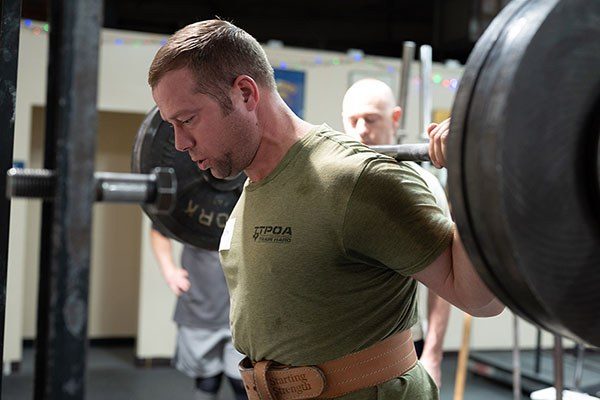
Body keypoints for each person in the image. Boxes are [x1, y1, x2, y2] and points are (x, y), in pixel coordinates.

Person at [148, 19, 504, 400]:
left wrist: (474, 178)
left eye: (186, 120)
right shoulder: (253, 180)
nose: (179, 143)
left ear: (246, 94)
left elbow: (481, 300)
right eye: (170, 125)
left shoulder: (356, 180)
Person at [341, 78, 451, 387]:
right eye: (353, 120)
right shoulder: (332, 181)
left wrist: (433, 354)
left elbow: (444, 281)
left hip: (398, 352)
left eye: (371, 119)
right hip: (334, 354)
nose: (361, 129)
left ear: (395, 118)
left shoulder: (424, 187)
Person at [149, 227, 248, 400]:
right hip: (200, 308)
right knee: (207, 382)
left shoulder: (252, 201)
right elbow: (159, 228)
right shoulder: (192, 201)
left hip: (244, 314)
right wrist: (169, 271)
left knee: (244, 384)